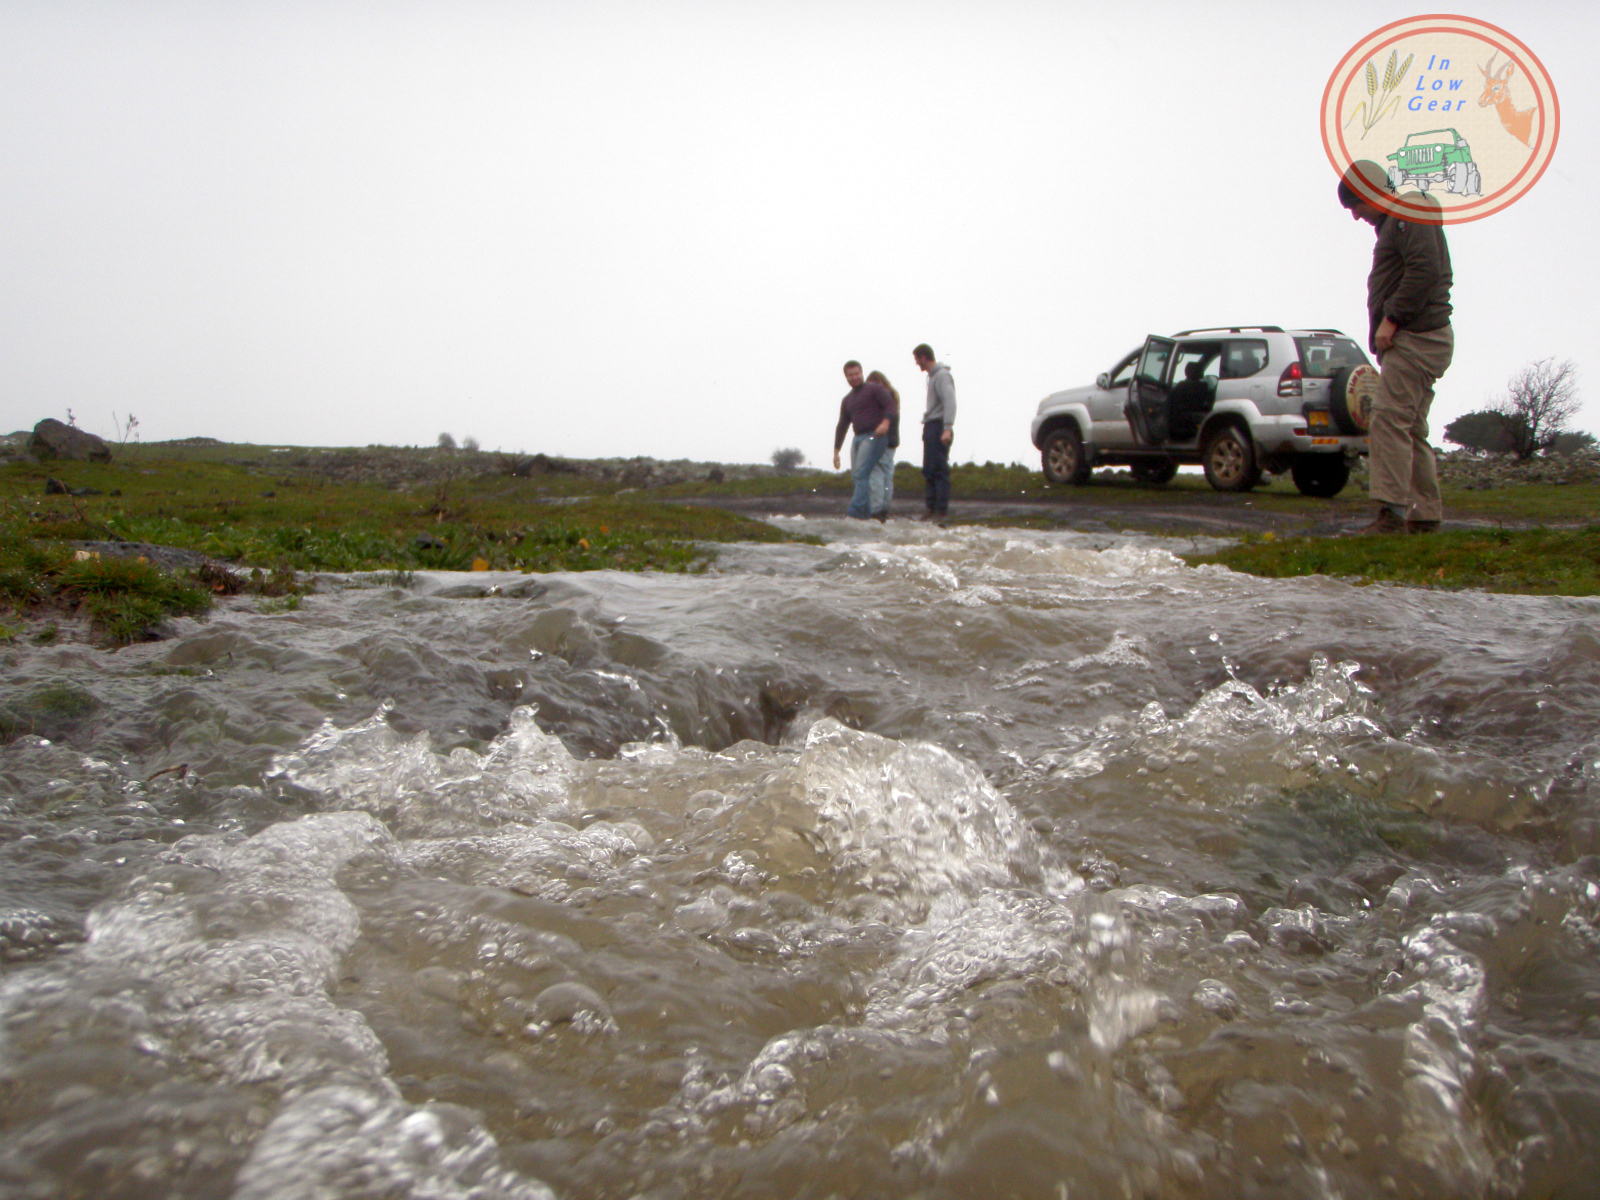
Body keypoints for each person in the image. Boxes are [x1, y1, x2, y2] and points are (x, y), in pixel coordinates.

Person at [1338, 159, 1454, 534]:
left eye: (1356, 205)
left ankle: (1391, 514)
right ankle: (1424, 516)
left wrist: (1392, 319)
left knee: (1388, 419)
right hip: (1419, 337)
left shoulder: (1408, 215)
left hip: (1416, 337)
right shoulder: (1401, 220)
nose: (1356, 216)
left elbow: (1425, 270)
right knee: (1410, 427)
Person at [831, 360, 895, 519]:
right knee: (857, 475)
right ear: (846, 377)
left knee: (862, 473)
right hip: (858, 437)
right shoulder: (847, 400)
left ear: (861, 373)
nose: (854, 377)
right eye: (850, 375)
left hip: (875, 436)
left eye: (857, 374)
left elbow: (890, 404)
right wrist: (836, 451)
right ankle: (867, 513)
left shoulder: (874, 389)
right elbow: (842, 424)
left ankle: (857, 512)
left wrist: (885, 422)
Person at [912, 343, 955, 521]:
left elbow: (950, 401)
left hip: (939, 425)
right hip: (930, 425)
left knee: (939, 469)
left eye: (917, 359)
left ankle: (940, 511)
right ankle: (931, 508)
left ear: (923, 357)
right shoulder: (931, 377)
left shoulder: (942, 376)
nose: (916, 363)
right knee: (929, 469)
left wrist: (947, 428)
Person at [865, 369, 900, 520]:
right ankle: (885, 508)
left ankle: (876, 509)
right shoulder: (893, 396)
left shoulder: (880, 398)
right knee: (887, 474)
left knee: (876, 474)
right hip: (892, 441)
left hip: (881, 441)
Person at [1167, 361, 1210, 442]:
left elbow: (1172, 401)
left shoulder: (1181, 386)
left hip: (1181, 422)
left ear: (1186, 372)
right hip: (1196, 417)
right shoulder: (1204, 386)